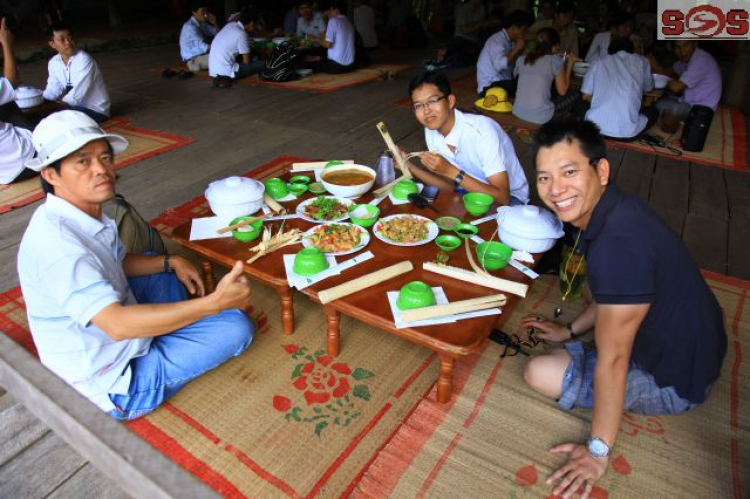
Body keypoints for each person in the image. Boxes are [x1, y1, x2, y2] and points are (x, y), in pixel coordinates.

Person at [524, 119, 726, 499]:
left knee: (540, 370)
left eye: (569, 172)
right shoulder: (615, 209)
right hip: (696, 343)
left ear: (601, 170)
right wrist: (570, 332)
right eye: (545, 178)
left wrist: (597, 451)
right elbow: (609, 295)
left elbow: (614, 358)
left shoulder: (618, 245)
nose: (556, 190)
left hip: (676, 380)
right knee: (572, 336)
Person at [17, 110, 255, 421]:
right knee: (236, 326)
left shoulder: (82, 213)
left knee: (168, 276)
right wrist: (214, 304)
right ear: (51, 175)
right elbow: (116, 325)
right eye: (83, 162)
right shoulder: (59, 247)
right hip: (109, 382)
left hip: (115, 337)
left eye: (105, 158)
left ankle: (163, 327)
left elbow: (116, 262)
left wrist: (171, 260)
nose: (101, 169)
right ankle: (163, 341)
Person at [405, 72, 529, 206]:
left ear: (450, 101)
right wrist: (408, 166)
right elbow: (450, 186)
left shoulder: (482, 131)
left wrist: (450, 170)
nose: (426, 111)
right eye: (418, 106)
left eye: (432, 101)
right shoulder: (431, 129)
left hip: (510, 197)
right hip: (466, 189)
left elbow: (502, 199)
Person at [578, 37, 656, 141]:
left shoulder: (599, 61)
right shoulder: (642, 61)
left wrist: (602, 101)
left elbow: (585, 96)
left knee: (578, 101)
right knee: (654, 111)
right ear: (631, 50)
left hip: (594, 130)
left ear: (610, 51)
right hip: (628, 134)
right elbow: (649, 88)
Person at [42, 23, 110, 123]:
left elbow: (78, 93)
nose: (68, 42)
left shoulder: (84, 59)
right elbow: (53, 89)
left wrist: (56, 108)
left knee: (56, 119)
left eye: (70, 38)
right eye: (62, 40)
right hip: (75, 107)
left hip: (95, 110)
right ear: (52, 44)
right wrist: (40, 103)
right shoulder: (53, 62)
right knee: (43, 116)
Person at [512, 27, 575, 124]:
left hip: (518, 111)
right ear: (555, 46)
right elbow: (563, 91)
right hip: (541, 117)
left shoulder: (522, 59)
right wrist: (570, 65)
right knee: (575, 95)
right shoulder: (555, 60)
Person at [0, 17, 36, 184]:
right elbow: (12, 81)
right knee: (8, 101)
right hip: (27, 162)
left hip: (3, 176)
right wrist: (6, 43)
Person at [651, 40, 722, 115]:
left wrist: (665, 78)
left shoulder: (700, 60)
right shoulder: (686, 60)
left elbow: (676, 88)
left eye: (686, 45)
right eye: (678, 47)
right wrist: (656, 67)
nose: (682, 51)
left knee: (657, 105)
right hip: (691, 102)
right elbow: (669, 71)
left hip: (700, 110)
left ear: (695, 44)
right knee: (664, 97)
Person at [476, 9, 533, 97]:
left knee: (528, 80)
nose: (524, 34)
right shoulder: (497, 40)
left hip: (501, 83)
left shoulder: (511, 41)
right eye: (523, 30)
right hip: (489, 87)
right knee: (526, 86)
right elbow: (499, 65)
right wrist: (516, 49)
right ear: (513, 28)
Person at [208, 7, 263, 88]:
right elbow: (246, 62)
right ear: (251, 24)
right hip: (228, 72)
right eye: (256, 25)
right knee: (263, 64)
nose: (256, 28)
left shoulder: (230, 25)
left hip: (213, 71)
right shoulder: (241, 34)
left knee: (252, 56)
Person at [307, 0, 355, 74]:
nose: (328, 12)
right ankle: (317, 58)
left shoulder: (333, 21)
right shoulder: (349, 23)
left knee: (308, 64)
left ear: (336, 10)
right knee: (320, 57)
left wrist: (315, 39)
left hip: (337, 66)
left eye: (330, 10)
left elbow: (327, 44)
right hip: (351, 66)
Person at [179, 1, 218, 73]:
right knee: (223, 56)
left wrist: (214, 23)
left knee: (225, 54)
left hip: (201, 55)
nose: (206, 14)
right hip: (193, 61)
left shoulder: (200, 23)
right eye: (203, 11)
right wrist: (223, 48)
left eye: (206, 11)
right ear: (194, 12)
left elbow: (216, 34)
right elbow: (205, 47)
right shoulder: (190, 27)